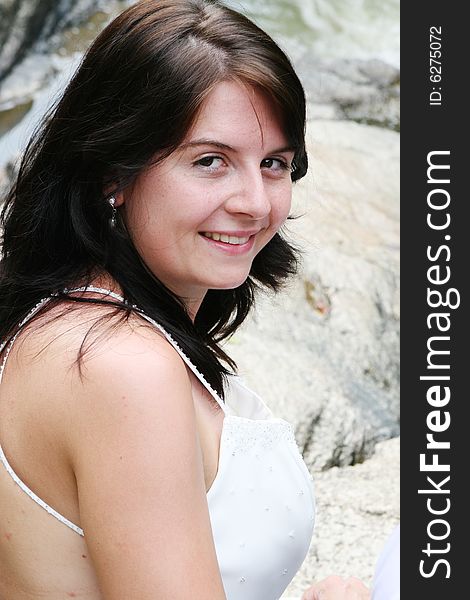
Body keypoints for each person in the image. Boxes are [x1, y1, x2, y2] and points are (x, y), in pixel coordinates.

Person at [0, 1, 370, 598]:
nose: (255, 201)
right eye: (210, 162)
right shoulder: (118, 366)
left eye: (275, 163)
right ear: (112, 175)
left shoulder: (75, 324)